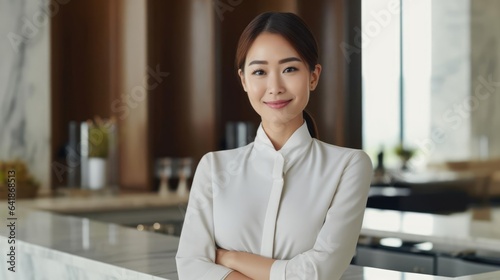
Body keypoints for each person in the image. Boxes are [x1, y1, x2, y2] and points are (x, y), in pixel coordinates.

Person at [176, 12, 373, 280]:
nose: (275, 87)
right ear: (244, 80)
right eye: (259, 72)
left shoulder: (349, 166)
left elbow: (319, 272)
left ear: (313, 76)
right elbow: (190, 266)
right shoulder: (214, 167)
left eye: (289, 69)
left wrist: (229, 257)